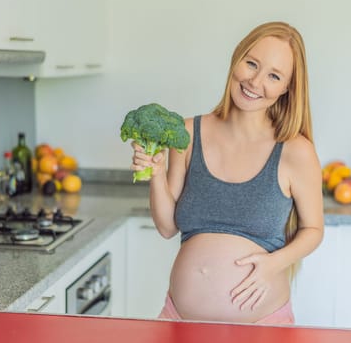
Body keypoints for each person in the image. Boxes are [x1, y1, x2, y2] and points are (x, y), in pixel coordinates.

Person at [130, 21, 324, 325]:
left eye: (274, 76)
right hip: (178, 322)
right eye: (252, 64)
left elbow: (313, 230)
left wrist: (274, 264)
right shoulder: (186, 133)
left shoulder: (295, 150)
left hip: (262, 328)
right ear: (237, 57)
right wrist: (156, 174)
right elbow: (167, 227)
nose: (255, 81)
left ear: (287, 88)